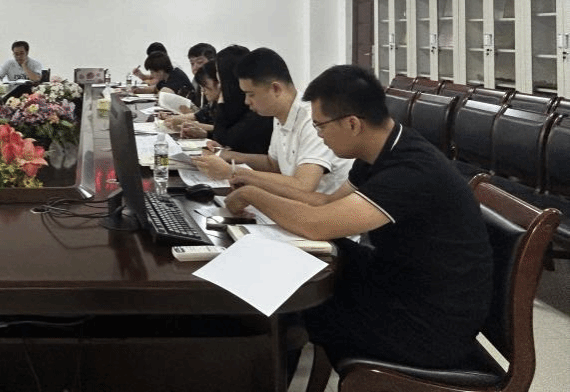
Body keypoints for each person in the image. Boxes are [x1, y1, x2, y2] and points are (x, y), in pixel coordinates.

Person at [226, 65, 492, 369]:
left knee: (295, 308)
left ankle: (259, 367)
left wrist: (253, 195)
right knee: (296, 266)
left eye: (320, 127)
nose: (319, 136)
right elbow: (324, 202)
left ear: (352, 123)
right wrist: (253, 185)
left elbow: (317, 224)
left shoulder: (411, 170)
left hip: (430, 325)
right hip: (401, 281)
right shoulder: (382, 149)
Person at [193, 47, 352, 195]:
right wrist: (225, 155)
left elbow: (304, 185)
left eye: (251, 94)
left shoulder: (312, 119)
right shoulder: (279, 114)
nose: (247, 101)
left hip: (320, 209)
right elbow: (272, 164)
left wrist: (233, 172)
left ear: (275, 89)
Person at [207, 45, 272, 152]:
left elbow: (223, 140)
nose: (216, 77)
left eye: (217, 71)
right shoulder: (237, 98)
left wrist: (221, 100)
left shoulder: (257, 106)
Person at [164, 60, 219, 136]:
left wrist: (191, 124)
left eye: (205, 86)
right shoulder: (214, 103)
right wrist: (171, 118)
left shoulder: (228, 104)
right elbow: (198, 115)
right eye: (192, 64)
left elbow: (222, 130)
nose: (203, 90)